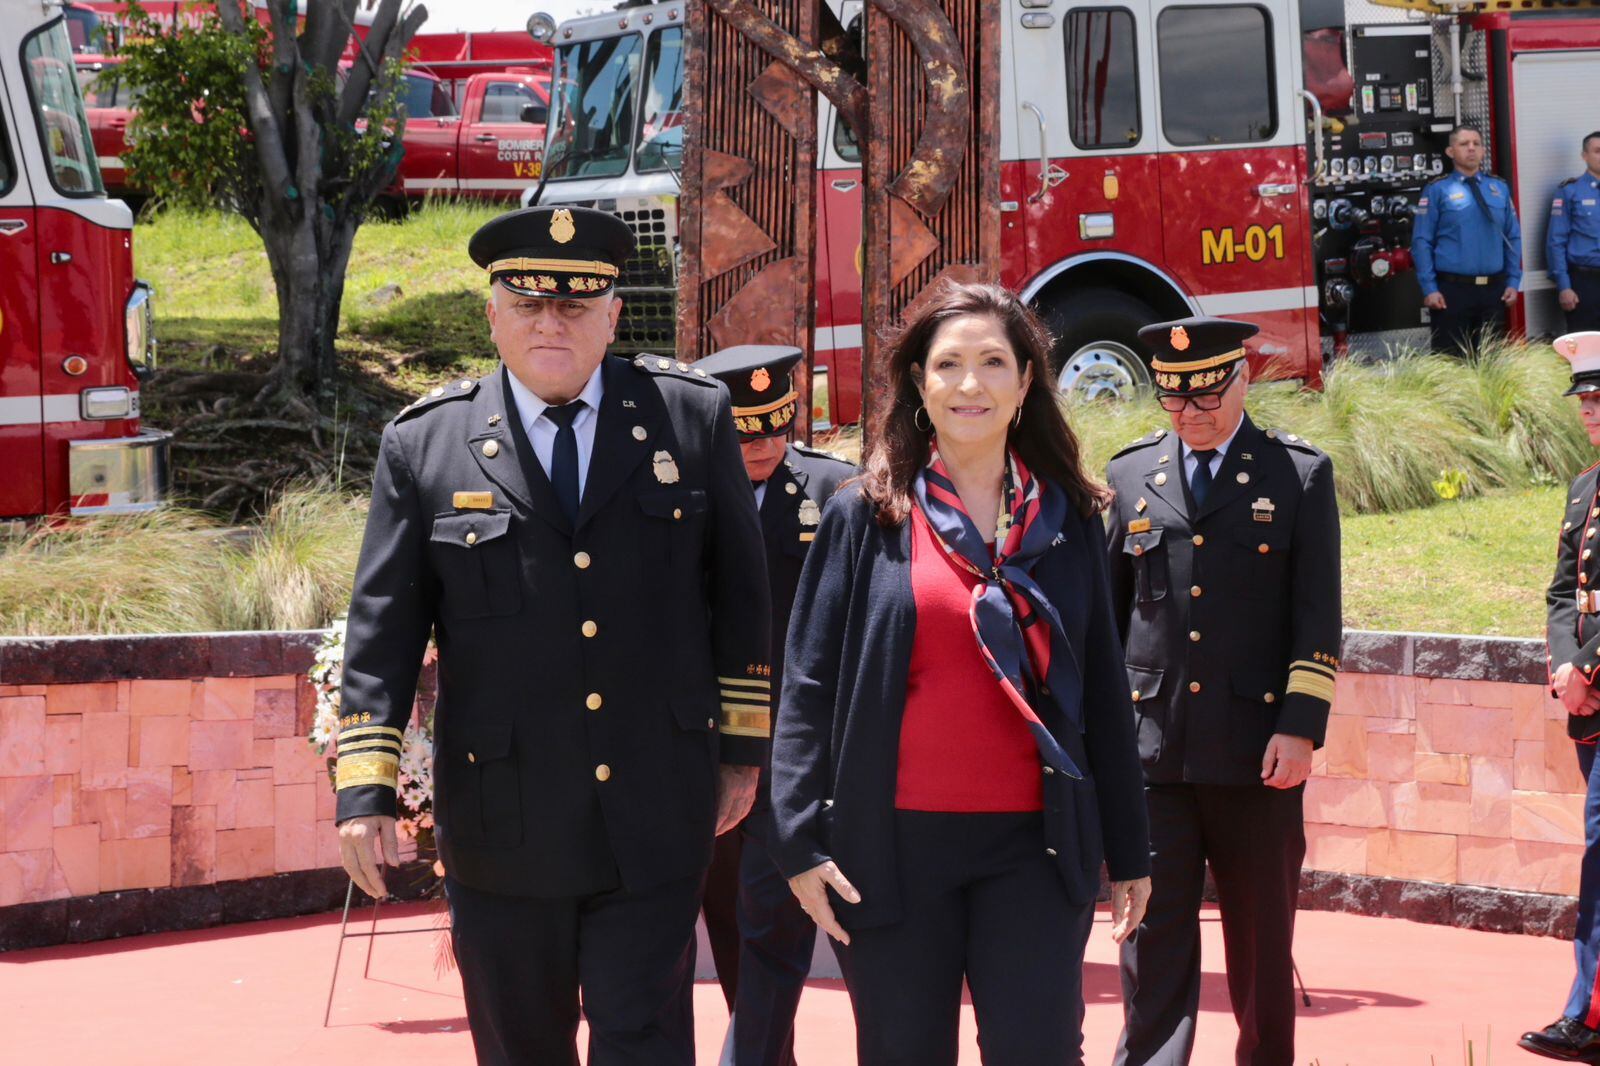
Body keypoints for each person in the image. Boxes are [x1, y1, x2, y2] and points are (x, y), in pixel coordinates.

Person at [333, 205, 772, 1066]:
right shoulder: (427, 444)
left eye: (575, 305)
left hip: (654, 805)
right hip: (504, 821)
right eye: (529, 304)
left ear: (614, 315)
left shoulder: (688, 418)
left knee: (645, 1042)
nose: (551, 324)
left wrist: (741, 752)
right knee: (521, 1047)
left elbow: (741, 598)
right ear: (492, 315)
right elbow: (384, 628)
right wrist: (364, 787)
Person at [771, 281, 1152, 1066]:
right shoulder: (862, 515)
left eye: (993, 363)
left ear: (1026, 381)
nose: (969, 384)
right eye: (948, 364)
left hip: (1037, 849)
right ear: (919, 382)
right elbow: (808, 685)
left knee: (1040, 1053)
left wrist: (1131, 850)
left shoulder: (1073, 517)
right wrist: (798, 841)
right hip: (890, 851)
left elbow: (1104, 694)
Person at [1107, 317, 1342, 1066]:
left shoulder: (1296, 474)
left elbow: (1317, 616)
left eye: (1207, 395)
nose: (1191, 413)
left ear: (1243, 380)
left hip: (1255, 755)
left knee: (1263, 946)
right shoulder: (1130, 476)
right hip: (1155, 754)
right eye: (1174, 399)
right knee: (1150, 942)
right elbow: (1110, 620)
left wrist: (1300, 727)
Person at [692, 344, 856, 1066]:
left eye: (774, 428)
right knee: (733, 932)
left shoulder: (837, 490)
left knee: (804, 934)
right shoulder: (684, 493)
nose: (761, 446)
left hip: (806, 755)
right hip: (712, 749)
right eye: (743, 433)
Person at [1520, 330, 1600, 1063]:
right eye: (1585, 400)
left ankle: (1590, 1017)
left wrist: (1588, 671)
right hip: (1590, 707)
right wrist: (1567, 668)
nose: (1589, 411)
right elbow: (1562, 592)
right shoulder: (1584, 485)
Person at [1411, 123, 1523, 357]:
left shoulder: (1499, 188)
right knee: (1451, 363)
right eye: (1463, 144)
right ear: (1450, 152)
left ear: (1483, 151)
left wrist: (1513, 281)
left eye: (1476, 144)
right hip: (1452, 292)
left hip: (1494, 291)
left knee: (1492, 362)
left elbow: (1512, 237)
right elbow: (1422, 242)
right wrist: (1429, 288)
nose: (1471, 148)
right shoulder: (1437, 189)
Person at [1548, 134, 1600, 333]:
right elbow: (1556, 241)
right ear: (1584, 156)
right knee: (1585, 346)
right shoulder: (1570, 191)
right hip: (1584, 283)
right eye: (1597, 151)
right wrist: (1564, 286)